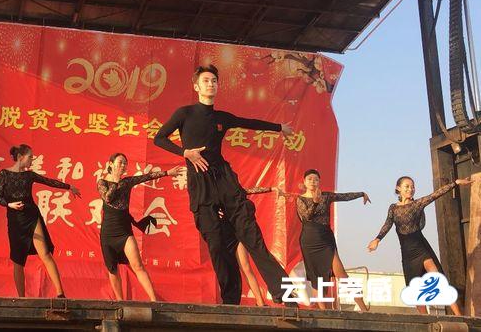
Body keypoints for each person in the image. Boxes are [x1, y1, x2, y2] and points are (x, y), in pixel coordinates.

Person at [154, 64, 294, 304]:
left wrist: (280, 127)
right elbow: (159, 138)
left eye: (214, 81)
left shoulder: (221, 118)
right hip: (201, 184)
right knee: (217, 244)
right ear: (196, 86)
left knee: (252, 236)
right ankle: (231, 300)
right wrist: (185, 153)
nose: (211, 84)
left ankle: (286, 294)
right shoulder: (184, 114)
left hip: (225, 180)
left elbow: (248, 122)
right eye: (206, 81)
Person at [368, 176, 471, 316]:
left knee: (438, 280)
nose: (411, 189)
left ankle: (459, 316)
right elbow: (387, 224)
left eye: (412, 186)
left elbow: (435, 195)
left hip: (422, 249)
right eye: (407, 186)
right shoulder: (393, 208)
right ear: (398, 188)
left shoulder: (417, 204)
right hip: (407, 254)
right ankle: (425, 319)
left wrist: (455, 183)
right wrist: (377, 239)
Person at [0, 144, 81, 298]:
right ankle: (21, 298)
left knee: (45, 253)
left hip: (31, 216)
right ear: (20, 157)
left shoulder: (29, 175)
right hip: (15, 220)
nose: (32, 160)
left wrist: (69, 187)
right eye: (30, 157)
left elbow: (48, 181)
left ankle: (60, 294)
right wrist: (10, 205)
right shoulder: (4, 174)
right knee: (18, 261)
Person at [97, 152, 184, 301]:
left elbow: (147, 177)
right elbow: (108, 198)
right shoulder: (102, 182)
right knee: (112, 269)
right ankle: (120, 301)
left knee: (137, 265)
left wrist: (167, 173)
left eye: (125, 163)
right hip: (108, 233)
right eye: (120, 162)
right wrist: (115, 180)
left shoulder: (127, 182)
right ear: (111, 164)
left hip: (124, 231)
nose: (123, 165)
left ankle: (154, 301)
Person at [295, 169, 370, 311]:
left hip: (325, 239)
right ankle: (323, 313)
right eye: (310, 179)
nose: (313, 182)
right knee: (316, 279)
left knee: (341, 274)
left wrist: (361, 194)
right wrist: (315, 202)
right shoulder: (301, 199)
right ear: (304, 182)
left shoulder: (326, 196)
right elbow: (306, 217)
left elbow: (344, 196)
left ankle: (364, 309)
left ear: (319, 182)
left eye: (316, 179)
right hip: (309, 240)